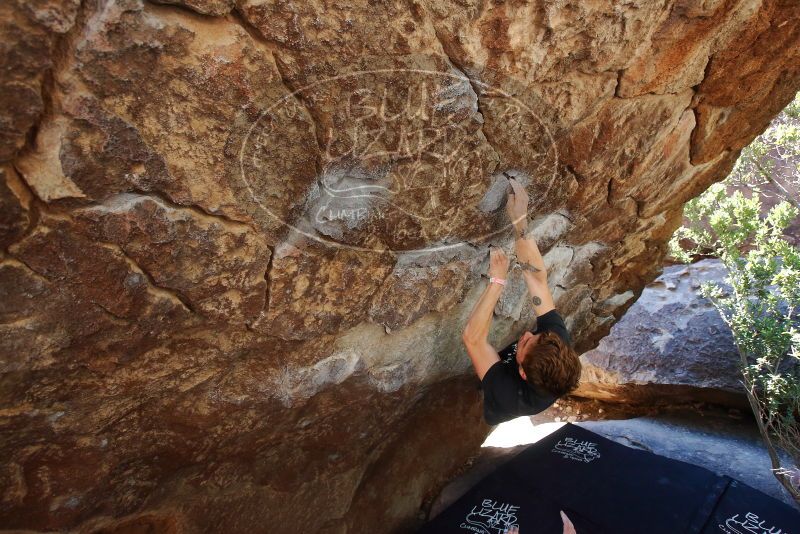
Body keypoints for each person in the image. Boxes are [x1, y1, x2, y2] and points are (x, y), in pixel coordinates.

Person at [461, 177, 581, 425]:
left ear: (523, 373)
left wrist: (498, 281)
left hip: (498, 400)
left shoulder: (511, 396)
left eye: (525, 343)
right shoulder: (556, 342)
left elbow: (472, 338)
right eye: (534, 336)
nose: (526, 333)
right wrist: (520, 222)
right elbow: (537, 279)